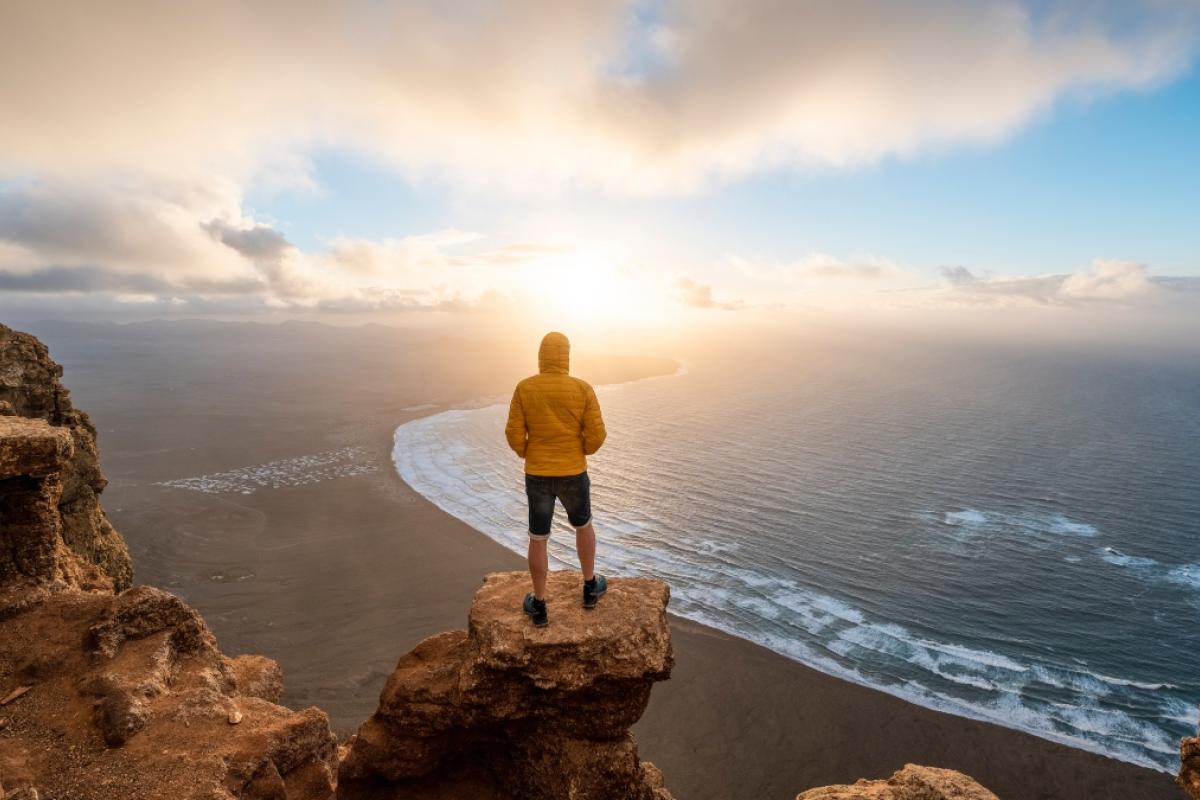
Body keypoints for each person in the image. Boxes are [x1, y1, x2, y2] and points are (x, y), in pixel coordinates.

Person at [505, 331, 607, 627]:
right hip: (574, 471)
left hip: (537, 474)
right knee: (583, 524)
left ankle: (538, 604)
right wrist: (581, 450)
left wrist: (529, 452)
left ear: (541, 356)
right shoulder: (582, 388)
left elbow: (513, 433)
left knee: (538, 537)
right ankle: (590, 587)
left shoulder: (525, 388)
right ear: (567, 357)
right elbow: (597, 436)